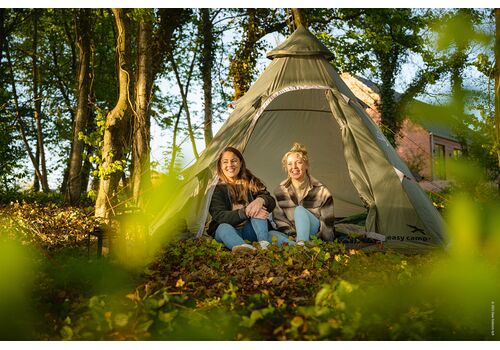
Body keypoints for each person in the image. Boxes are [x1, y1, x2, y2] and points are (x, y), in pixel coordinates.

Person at [207, 147, 277, 253]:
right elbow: (220, 216)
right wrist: (245, 212)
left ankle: (263, 244)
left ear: (240, 163)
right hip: (229, 232)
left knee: (258, 209)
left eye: (234, 161)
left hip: (250, 229)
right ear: (220, 166)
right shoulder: (216, 189)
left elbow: (271, 201)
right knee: (223, 227)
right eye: (225, 162)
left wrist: (261, 200)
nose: (230, 165)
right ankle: (242, 247)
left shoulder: (251, 181)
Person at [273, 143, 336, 245]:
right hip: (292, 235)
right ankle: (299, 245)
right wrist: (293, 235)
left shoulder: (322, 191)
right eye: (289, 164)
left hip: (315, 235)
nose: (294, 167)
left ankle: (302, 246)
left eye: (298, 162)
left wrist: (318, 241)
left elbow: (327, 226)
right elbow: (279, 220)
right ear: (286, 167)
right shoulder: (280, 191)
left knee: (299, 210)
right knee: (270, 235)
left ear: (306, 165)